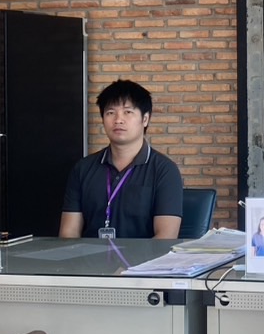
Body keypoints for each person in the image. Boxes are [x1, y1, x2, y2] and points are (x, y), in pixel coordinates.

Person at [59, 79, 184, 240]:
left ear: (145, 119)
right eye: (110, 113)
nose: (118, 119)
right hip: (90, 256)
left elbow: (165, 237)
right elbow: (68, 234)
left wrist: (131, 259)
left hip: (143, 257)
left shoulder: (164, 170)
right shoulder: (83, 168)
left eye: (128, 112)